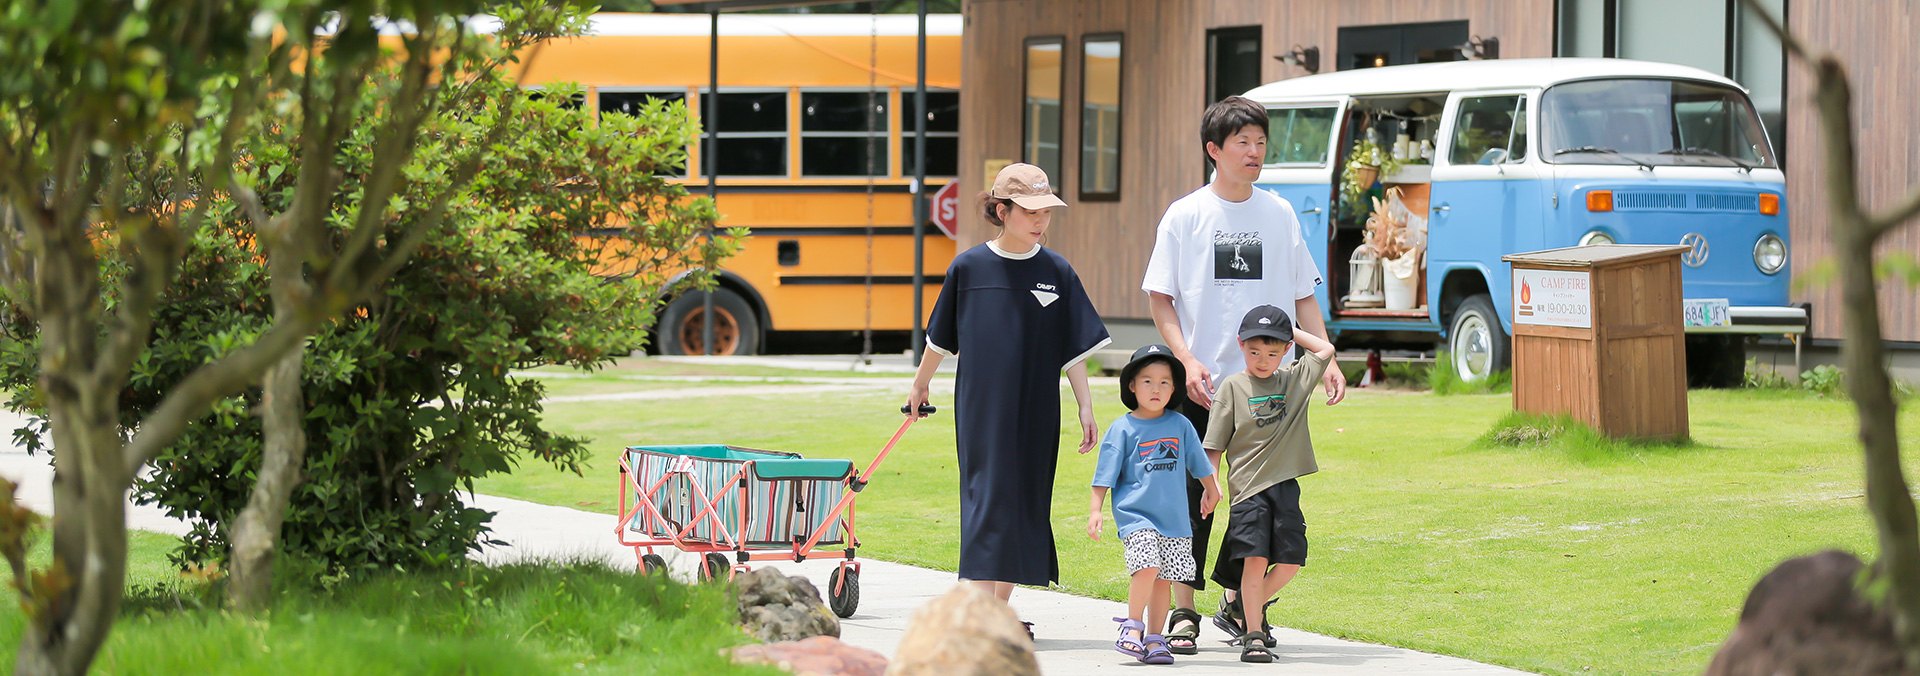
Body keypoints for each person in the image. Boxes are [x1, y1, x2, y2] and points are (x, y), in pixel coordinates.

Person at [1140, 95, 1347, 652]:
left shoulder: (1278, 213)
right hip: (1204, 386)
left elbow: (1303, 294)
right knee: (1192, 500)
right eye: (1242, 143)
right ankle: (1183, 612)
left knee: (1268, 509)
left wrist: (1327, 359)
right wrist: (1186, 358)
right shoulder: (1185, 215)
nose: (1255, 152)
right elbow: (1161, 299)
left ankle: (1238, 604)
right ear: (1214, 150)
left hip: (1271, 391)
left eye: (1260, 142)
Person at [906, 162, 1111, 635]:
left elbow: (1074, 346)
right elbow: (940, 337)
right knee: (987, 499)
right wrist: (920, 384)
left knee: (1024, 503)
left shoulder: (1057, 271)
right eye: (1030, 211)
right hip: (982, 409)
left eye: (1047, 212)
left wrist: (1084, 404)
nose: (1041, 221)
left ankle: (995, 614)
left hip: (1038, 409)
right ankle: (979, 619)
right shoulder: (969, 267)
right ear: (1002, 210)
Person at [1204, 305, 1335, 663]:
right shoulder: (1232, 387)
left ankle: (1240, 605)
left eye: (1273, 352)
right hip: (1248, 492)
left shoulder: (1293, 380)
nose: (1263, 360)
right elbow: (1214, 445)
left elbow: (1325, 350)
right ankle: (1254, 634)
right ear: (1240, 345)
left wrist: (1287, 330)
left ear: (1286, 351)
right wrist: (1211, 486)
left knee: (1291, 561)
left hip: (1285, 487)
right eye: (1254, 351)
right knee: (1255, 562)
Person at [1087, 345, 1222, 665]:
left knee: (1165, 578)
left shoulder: (1180, 425)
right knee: (1147, 565)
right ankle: (1133, 628)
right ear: (1131, 385)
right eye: (1147, 381)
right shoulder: (1123, 428)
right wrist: (1096, 510)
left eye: (1164, 382)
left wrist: (1211, 490)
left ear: (1174, 388)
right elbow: (1104, 475)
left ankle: (1155, 637)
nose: (1156, 388)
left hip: (1174, 519)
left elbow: (1199, 462)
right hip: (1136, 516)